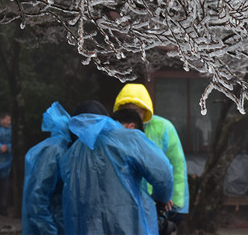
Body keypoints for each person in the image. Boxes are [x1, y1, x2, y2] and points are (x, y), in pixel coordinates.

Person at [60, 100, 174, 235]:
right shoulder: (128, 138)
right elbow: (163, 172)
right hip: (131, 226)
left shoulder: (71, 154)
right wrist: (162, 200)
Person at [113, 83, 189, 225]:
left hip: (160, 203)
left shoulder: (163, 128)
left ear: (145, 110)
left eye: (136, 110)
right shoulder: (114, 131)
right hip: (125, 204)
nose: (132, 114)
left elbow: (177, 165)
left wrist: (177, 204)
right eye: (126, 110)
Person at [22, 102, 71, 235]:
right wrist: (49, 231)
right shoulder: (55, 150)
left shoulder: (60, 148)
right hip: (53, 225)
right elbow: (37, 197)